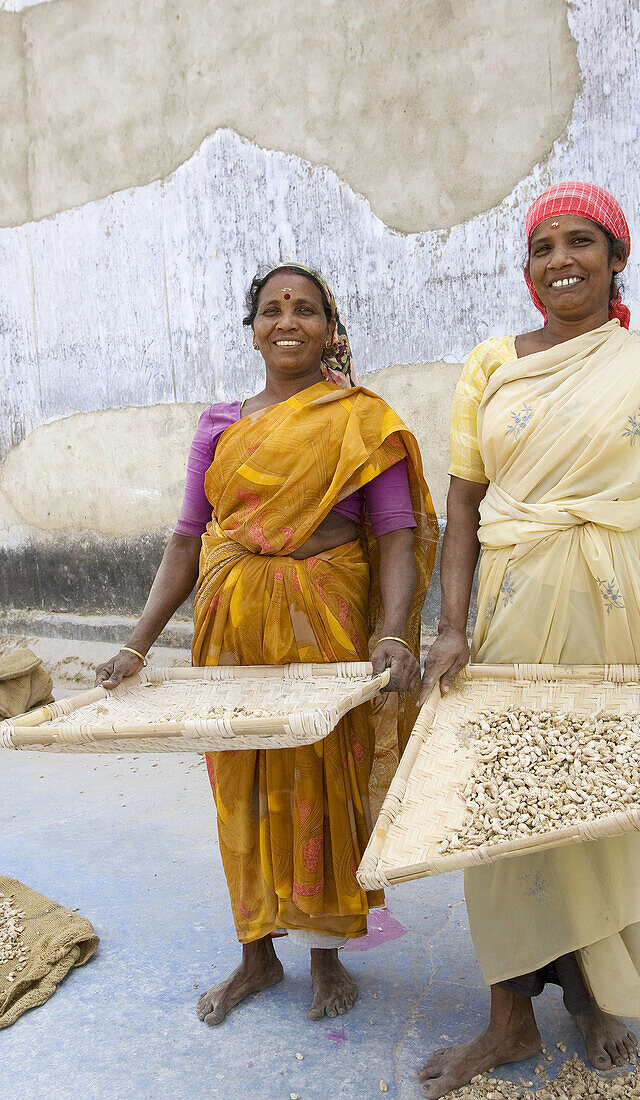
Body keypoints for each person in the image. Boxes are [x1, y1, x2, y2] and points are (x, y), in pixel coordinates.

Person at [417, 182, 640, 1098]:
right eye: (541, 246)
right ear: (527, 271)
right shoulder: (492, 366)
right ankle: (507, 1019)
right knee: (509, 811)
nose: (560, 259)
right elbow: (462, 512)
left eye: (580, 242)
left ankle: (593, 994)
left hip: (621, 615)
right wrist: (447, 628)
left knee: (609, 803)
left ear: (614, 258)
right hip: (510, 615)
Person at [96, 263, 437, 1025]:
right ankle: (255, 955)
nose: (288, 320)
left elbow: (395, 536)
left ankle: (322, 955)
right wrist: (138, 646)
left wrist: (389, 630)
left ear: (330, 328)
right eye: (272, 309)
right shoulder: (221, 424)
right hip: (231, 630)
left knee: (322, 774)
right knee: (241, 782)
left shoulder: (359, 420)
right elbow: (187, 540)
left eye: (306, 309)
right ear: (251, 328)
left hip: (327, 624)